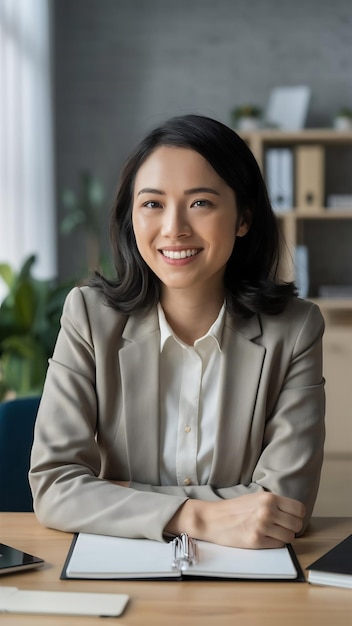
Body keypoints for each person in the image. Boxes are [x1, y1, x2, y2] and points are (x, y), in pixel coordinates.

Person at [29, 114, 325, 550]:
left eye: (200, 203)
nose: (174, 228)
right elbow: (55, 487)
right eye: (152, 204)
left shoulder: (295, 330)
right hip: (121, 568)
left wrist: (116, 495)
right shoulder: (89, 317)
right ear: (132, 216)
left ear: (243, 217)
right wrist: (197, 516)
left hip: (241, 585)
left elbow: (284, 505)